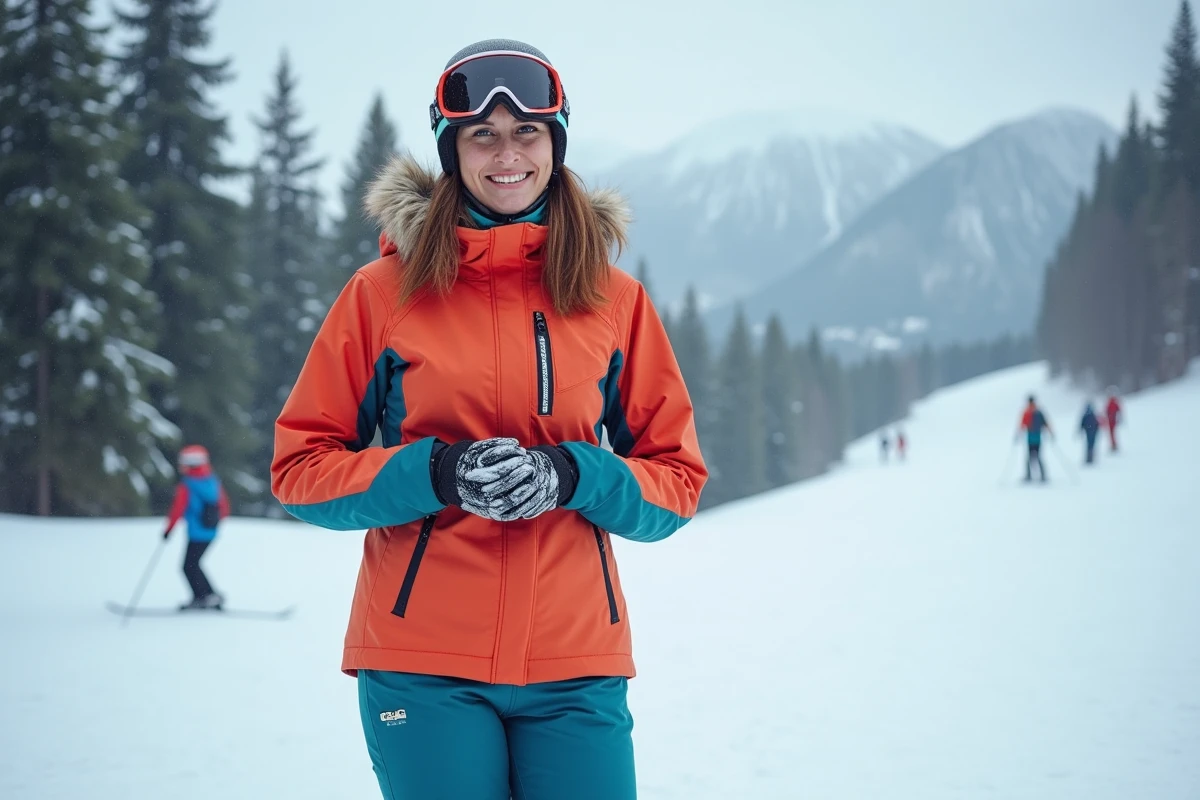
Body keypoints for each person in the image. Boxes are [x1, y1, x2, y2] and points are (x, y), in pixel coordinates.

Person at [271, 39, 707, 800]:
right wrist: (437, 472)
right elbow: (300, 469)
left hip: (576, 665)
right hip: (422, 660)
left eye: (527, 133)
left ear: (556, 142)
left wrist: (572, 472)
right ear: (452, 150)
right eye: (483, 135)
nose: (507, 154)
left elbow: (675, 481)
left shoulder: (613, 300)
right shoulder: (382, 294)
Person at [163, 444, 230, 610]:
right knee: (193, 564)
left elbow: (177, 509)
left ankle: (205, 597)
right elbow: (224, 507)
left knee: (188, 566)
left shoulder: (187, 485)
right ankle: (207, 596)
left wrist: (168, 529)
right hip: (210, 531)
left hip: (196, 532)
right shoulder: (212, 481)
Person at [1015, 395, 1053, 483]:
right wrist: (1051, 433)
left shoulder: (1027, 412)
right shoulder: (1038, 412)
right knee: (1038, 457)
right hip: (1038, 438)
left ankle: (1029, 476)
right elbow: (1046, 423)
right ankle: (1042, 475)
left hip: (1030, 439)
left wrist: (1017, 435)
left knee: (1029, 458)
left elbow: (1022, 425)